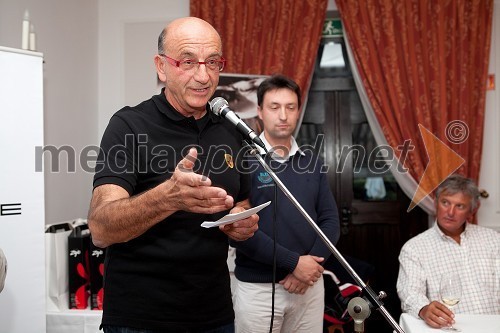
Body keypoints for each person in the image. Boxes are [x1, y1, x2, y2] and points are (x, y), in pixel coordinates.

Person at [87, 17, 259, 333]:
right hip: (142, 318)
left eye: (213, 62)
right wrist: (168, 198)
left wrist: (239, 220)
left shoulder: (230, 129)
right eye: (188, 62)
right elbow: (100, 227)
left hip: (215, 315)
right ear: (162, 66)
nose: (204, 76)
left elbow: (242, 201)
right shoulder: (129, 126)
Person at [230, 74, 341, 333]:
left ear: (298, 111)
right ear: (259, 111)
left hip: (309, 287)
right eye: (274, 107)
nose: (283, 115)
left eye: (290, 107)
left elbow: (330, 220)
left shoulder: (311, 162)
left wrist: (312, 266)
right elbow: (239, 231)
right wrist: (294, 264)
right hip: (258, 291)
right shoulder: (243, 160)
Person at [397, 174, 500, 329]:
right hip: (449, 329)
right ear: (436, 203)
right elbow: (410, 293)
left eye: (459, 206)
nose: (450, 212)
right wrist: (423, 309)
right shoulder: (414, 248)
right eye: (445, 203)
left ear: (472, 210)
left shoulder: (493, 240)